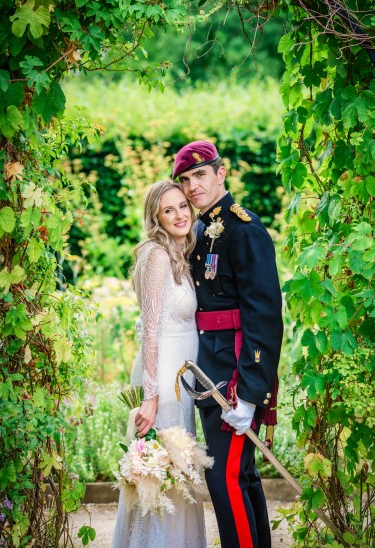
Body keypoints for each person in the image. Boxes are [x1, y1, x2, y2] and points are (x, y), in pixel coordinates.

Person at [173, 141, 283, 548]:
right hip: (211, 372)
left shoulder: (245, 229)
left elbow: (265, 317)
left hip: (236, 377)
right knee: (241, 476)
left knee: (225, 478)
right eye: (184, 180)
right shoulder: (199, 229)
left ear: (221, 173)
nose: (192, 186)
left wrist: (252, 393)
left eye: (200, 174)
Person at [111, 180, 207, 548]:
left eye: (183, 205)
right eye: (169, 210)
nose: (180, 214)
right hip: (162, 382)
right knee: (161, 477)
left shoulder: (178, 254)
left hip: (180, 383)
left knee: (177, 475)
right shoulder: (155, 255)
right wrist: (150, 397)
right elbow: (150, 330)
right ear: (156, 217)